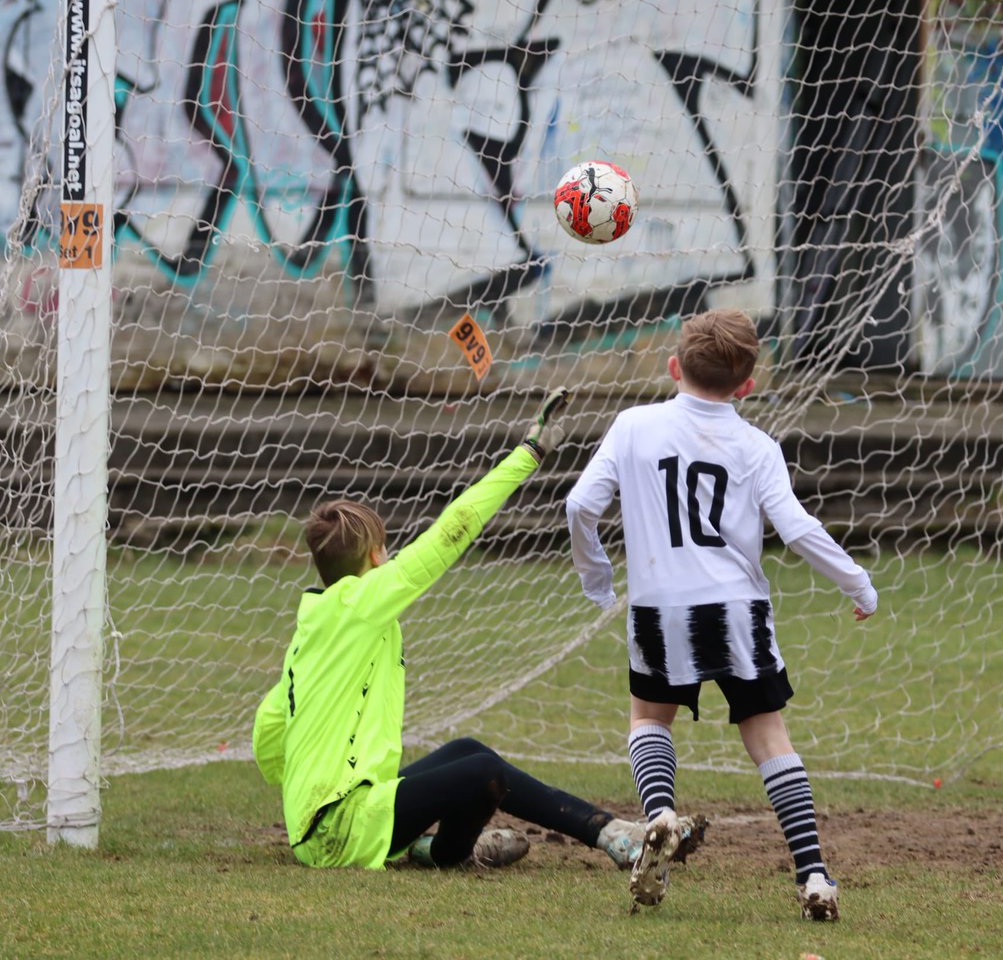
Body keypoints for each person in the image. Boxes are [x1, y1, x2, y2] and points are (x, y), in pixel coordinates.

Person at [252, 390, 695, 874]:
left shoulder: (315, 624)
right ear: (377, 556)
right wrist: (529, 454)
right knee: (483, 774)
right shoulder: (361, 603)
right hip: (340, 828)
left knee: (468, 753)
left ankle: (439, 851)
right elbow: (451, 530)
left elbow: (268, 732)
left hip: (325, 822)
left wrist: (302, 787)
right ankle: (615, 837)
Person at [565, 309, 879, 919]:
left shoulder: (634, 426)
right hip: (737, 610)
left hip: (660, 607)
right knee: (767, 737)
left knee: (649, 720)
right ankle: (813, 876)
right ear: (747, 386)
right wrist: (858, 583)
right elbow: (796, 527)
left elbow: (581, 504)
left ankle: (659, 818)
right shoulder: (755, 445)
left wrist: (597, 578)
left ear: (673, 366)